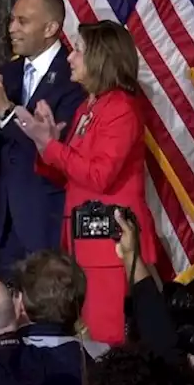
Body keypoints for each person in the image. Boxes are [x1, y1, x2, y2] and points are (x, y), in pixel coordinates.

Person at [15, 20, 158, 345]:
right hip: (84, 243)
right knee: (86, 338)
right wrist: (46, 144)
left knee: (104, 341)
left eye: (78, 50)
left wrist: (52, 147)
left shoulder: (121, 108)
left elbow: (99, 176)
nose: (70, 57)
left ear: (100, 58)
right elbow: (71, 174)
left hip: (110, 246)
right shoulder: (88, 106)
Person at [0, 0, 85, 278]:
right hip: (6, 224)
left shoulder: (74, 77)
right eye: (11, 20)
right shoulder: (8, 73)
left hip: (48, 218)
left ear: (51, 28)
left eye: (22, 21)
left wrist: (4, 110)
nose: (11, 28)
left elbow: (57, 148)